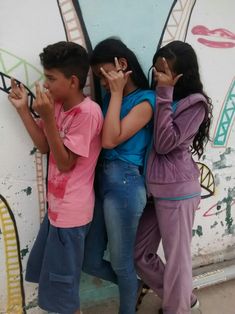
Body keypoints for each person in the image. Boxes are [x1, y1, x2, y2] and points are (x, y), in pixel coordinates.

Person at [8, 41, 103, 314]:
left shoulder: (88, 113)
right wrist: (24, 110)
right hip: (58, 212)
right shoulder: (58, 106)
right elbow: (44, 146)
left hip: (72, 215)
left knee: (63, 291)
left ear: (73, 81)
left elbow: (64, 163)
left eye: (50, 78)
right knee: (57, 282)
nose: (45, 84)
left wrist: (48, 116)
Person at [134, 40, 213, 314]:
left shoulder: (195, 104)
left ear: (182, 74)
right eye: (156, 71)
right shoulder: (160, 99)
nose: (158, 76)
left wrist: (165, 92)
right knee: (140, 255)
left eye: (165, 72)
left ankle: (177, 309)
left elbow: (166, 143)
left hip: (178, 192)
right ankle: (183, 300)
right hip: (156, 193)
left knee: (178, 261)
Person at [82, 38, 155, 314]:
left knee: (122, 263)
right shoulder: (113, 99)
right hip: (103, 183)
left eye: (103, 75)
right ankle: (134, 286)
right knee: (89, 261)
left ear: (121, 65)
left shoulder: (146, 101)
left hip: (126, 185)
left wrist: (115, 93)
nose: (102, 82)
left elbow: (110, 139)